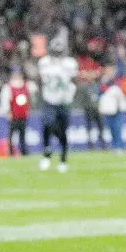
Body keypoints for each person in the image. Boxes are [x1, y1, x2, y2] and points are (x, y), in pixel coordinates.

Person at [38, 38, 78, 172]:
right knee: (48, 124)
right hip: (49, 99)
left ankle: (63, 158)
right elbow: (40, 79)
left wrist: (70, 93)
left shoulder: (69, 63)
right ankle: (47, 152)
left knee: (63, 130)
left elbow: (74, 80)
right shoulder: (44, 63)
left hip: (64, 101)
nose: (57, 53)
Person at [0, 66, 38, 155]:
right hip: (13, 114)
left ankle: (24, 151)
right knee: (11, 135)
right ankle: (11, 152)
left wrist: (29, 107)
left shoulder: (26, 85)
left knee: (22, 135)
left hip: (23, 114)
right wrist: (8, 112)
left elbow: (32, 93)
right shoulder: (8, 86)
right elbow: (5, 100)